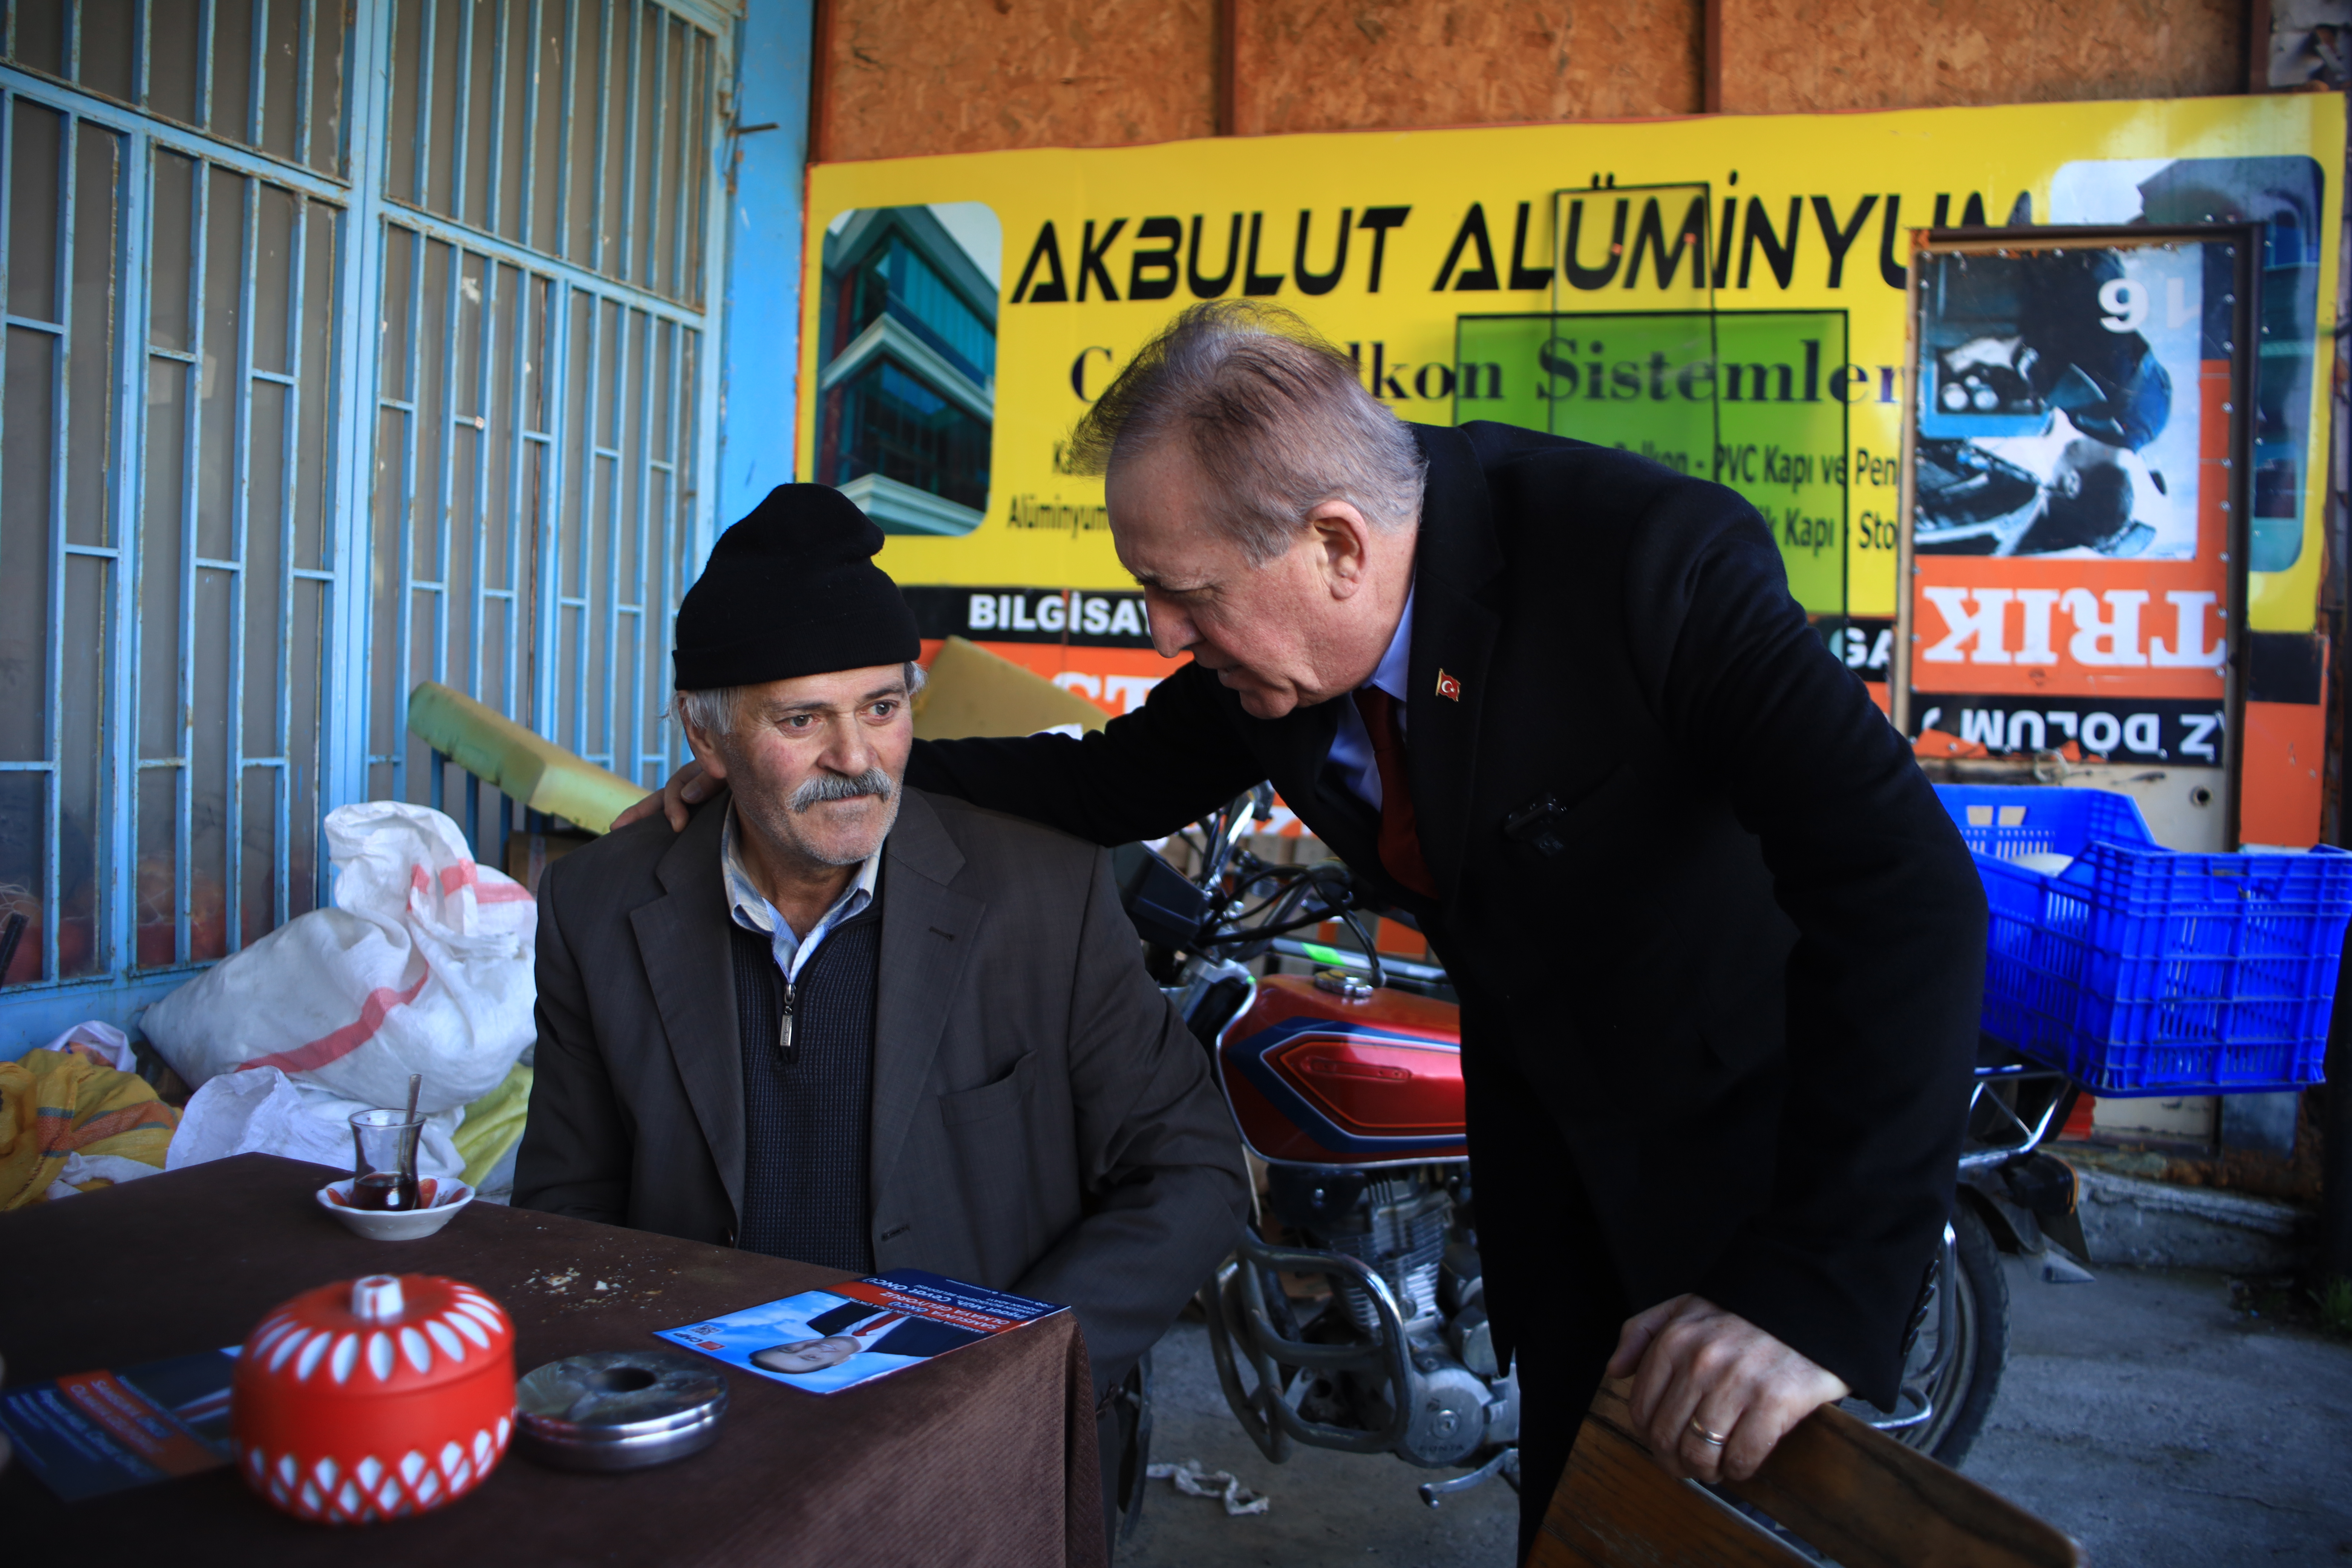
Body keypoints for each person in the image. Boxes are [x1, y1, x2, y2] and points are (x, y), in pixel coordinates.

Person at [623, 302, 1988, 1556]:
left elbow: (1905, 893)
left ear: (1337, 543)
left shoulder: (1651, 566)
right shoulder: (1275, 642)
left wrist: (1813, 1288)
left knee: (1731, 1529)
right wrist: (831, 774)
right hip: (1550, 1148)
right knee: (1581, 1516)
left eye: (1188, 594)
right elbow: (1105, 783)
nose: (1166, 631)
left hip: (1751, 1154)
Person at [516, 483, 1250, 1544]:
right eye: (802, 719)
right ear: (706, 737)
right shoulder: (601, 908)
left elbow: (1192, 1171)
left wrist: (1013, 1365)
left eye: (884, 708)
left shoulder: (1042, 895)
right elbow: (567, 1208)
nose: (855, 759)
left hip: (983, 1464)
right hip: (711, 1465)